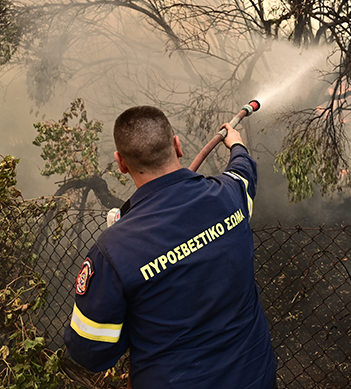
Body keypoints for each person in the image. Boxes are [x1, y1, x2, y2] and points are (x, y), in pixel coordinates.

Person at [64, 105, 277, 388]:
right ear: (177, 146)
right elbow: (243, 171)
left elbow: (89, 352)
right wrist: (237, 144)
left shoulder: (114, 250)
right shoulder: (229, 197)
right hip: (255, 377)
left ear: (121, 163)